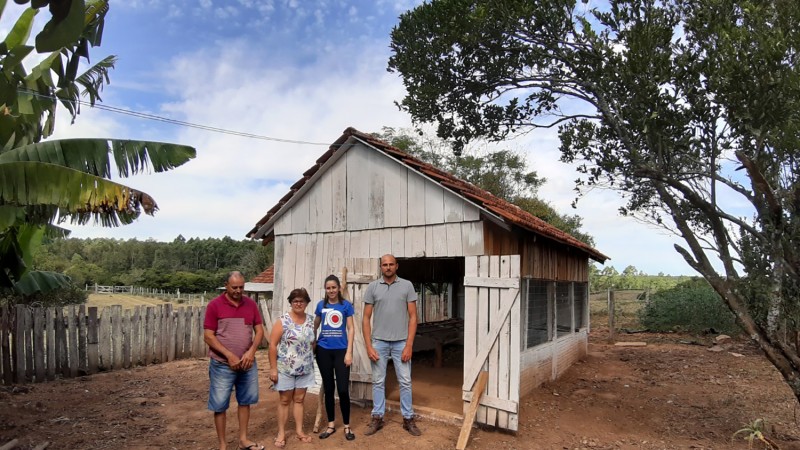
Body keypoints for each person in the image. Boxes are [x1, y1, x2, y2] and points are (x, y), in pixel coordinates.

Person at [203, 271, 265, 450]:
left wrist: (251, 352)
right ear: (226, 285)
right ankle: (223, 445)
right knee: (220, 404)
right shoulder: (215, 305)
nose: (238, 291)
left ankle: (243, 440)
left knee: (245, 401)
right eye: (234, 287)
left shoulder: (251, 304)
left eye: (241, 287)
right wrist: (229, 355)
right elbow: (208, 336)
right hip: (222, 364)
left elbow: (259, 331)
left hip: (247, 364)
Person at [362, 254, 422, 436]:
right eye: (384, 265)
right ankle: (377, 417)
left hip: (401, 341)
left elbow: (413, 317)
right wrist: (369, 346)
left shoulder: (407, 286)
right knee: (378, 381)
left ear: (397, 266)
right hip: (379, 341)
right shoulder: (372, 287)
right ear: (381, 267)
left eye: (391, 264)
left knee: (405, 381)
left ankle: (408, 419)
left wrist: (409, 345)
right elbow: (365, 318)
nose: (388, 267)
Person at [268, 288, 316, 448]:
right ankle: (281, 433)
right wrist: (273, 368)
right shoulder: (283, 321)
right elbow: (273, 345)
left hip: (304, 369)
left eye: (302, 301)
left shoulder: (311, 320)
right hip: (285, 369)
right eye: (295, 301)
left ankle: (300, 431)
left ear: (307, 303)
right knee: (284, 400)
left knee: (299, 400)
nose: (298, 304)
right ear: (291, 302)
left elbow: (312, 342)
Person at [313, 274, 356, 441]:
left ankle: (347, 426)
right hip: (323, 351)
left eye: (334, 287)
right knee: (329, 389)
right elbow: (315, 325)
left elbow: (351, 329)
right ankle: (331, 424)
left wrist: (349, 352)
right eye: (328, 288)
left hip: (341, 351)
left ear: (339, 288)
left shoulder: (346, 306)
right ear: (326, 289)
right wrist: (313, 341)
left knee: (343, 390)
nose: (331, 290)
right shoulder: (320, 306)